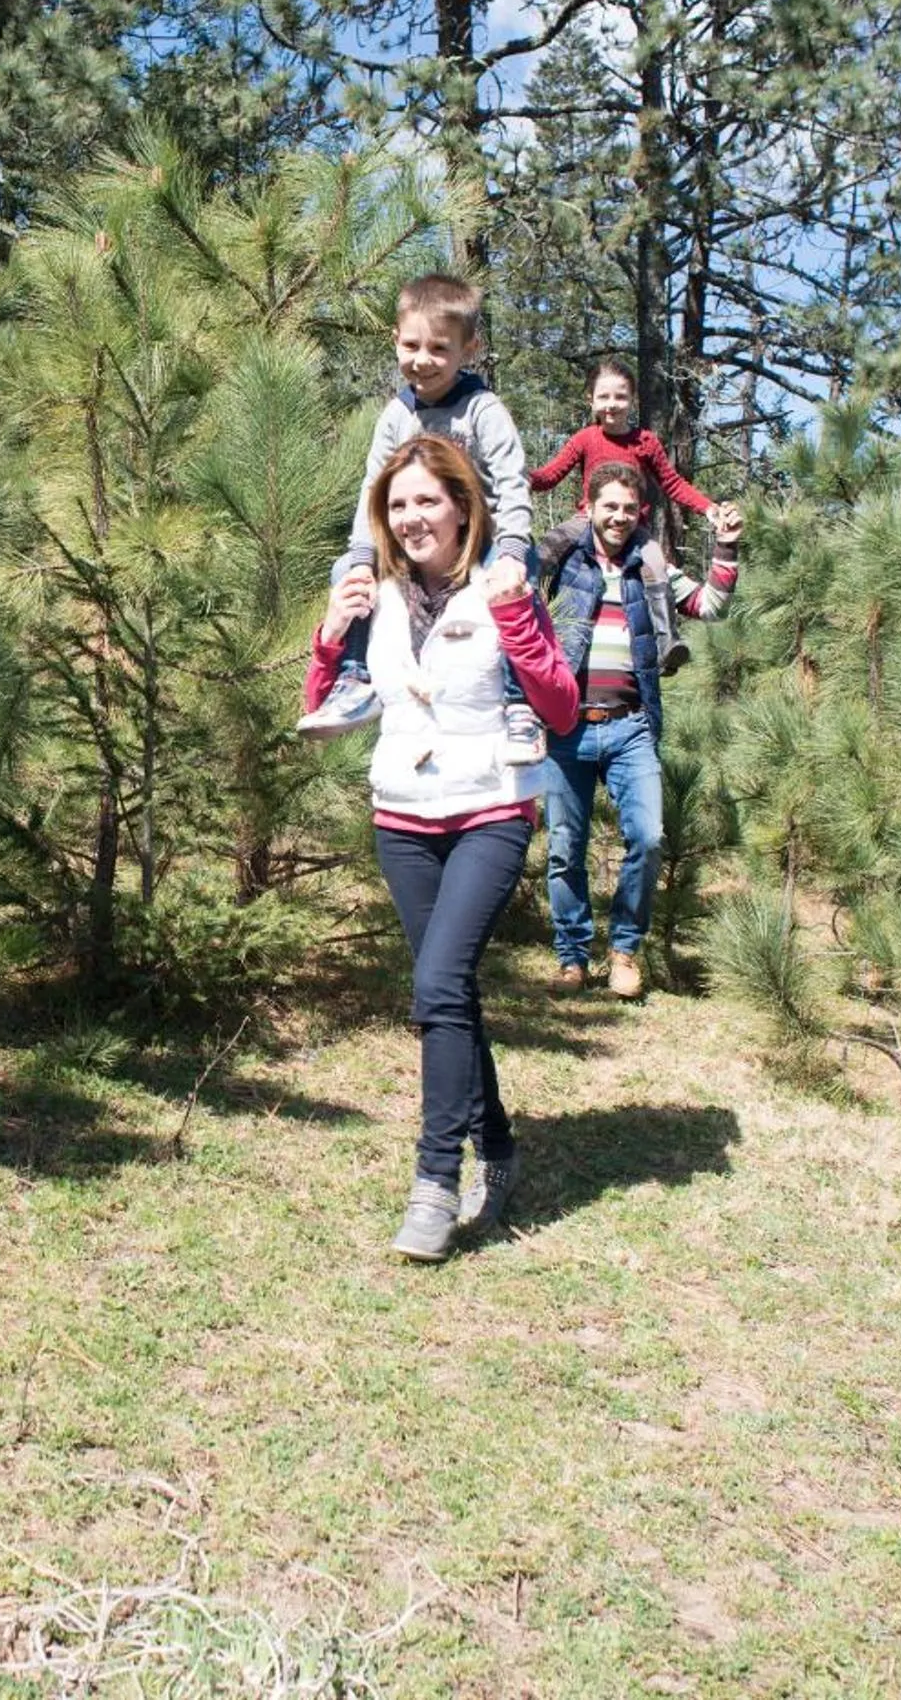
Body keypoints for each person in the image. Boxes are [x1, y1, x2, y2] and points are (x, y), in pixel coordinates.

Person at [305, 434, 580, 1261]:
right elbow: (324, 711)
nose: (410, 517)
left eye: (426, 500)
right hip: (401, 816)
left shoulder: (503, 585)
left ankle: (434, 1181)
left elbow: (560, 709)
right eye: (396, 504)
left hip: (490, 807)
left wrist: (516, 621)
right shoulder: (376, 595)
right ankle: (497, 1149)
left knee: (436, 986)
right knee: (447, 993)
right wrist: (331, 634)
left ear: (462, 506)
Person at [297, 273, 541, 762]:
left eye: (439, 348)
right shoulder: (396, 415)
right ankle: (356, 679)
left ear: (468, 349)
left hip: (481, 536)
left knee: (519, 575)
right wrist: (363, 557)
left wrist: (512, 551)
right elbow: (373, 488)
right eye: (411, 345)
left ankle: (519, 705)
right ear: (395, 340)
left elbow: (513, 482)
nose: (422, 360)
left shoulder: (482, 410)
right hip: (413, 539)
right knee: (346, 572)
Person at [541, 462, 743, 1000]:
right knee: (565, 848)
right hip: (566, 727)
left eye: (629, 508)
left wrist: (726, 546)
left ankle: (624, 951)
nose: (619, 516)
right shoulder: (561, 561)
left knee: (648, 838)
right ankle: (572, 957)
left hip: (631, 726)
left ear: (641, 513)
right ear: (588, 507)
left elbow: (711, 606)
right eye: (609, 506)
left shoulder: (652, 566)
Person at [529, 361, 723, 678]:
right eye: (603, 397)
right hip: (587, 519)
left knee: (656, 563)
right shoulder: (585, 439)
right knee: (547, 549)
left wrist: (708, 508)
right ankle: (528, 618)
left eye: (620, 397)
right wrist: (522, 477)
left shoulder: (645, 442)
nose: (612, 405)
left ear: (632, 400)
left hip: (633, 527)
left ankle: (667, 642)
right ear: (590, 400)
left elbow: (673, 483)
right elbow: (550, 475)